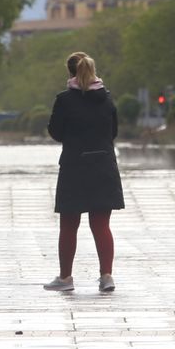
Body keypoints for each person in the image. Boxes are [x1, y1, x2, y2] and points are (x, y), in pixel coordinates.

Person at [44, 51, 123, 293]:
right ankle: (106, 276)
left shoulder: (64, 100)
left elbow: (56, 132)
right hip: (103, 165)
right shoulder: (107, 99)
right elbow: (113, 132)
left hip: (74, 166)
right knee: (101, 224)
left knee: (69, 223)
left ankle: (66, 278)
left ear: (70, 72)